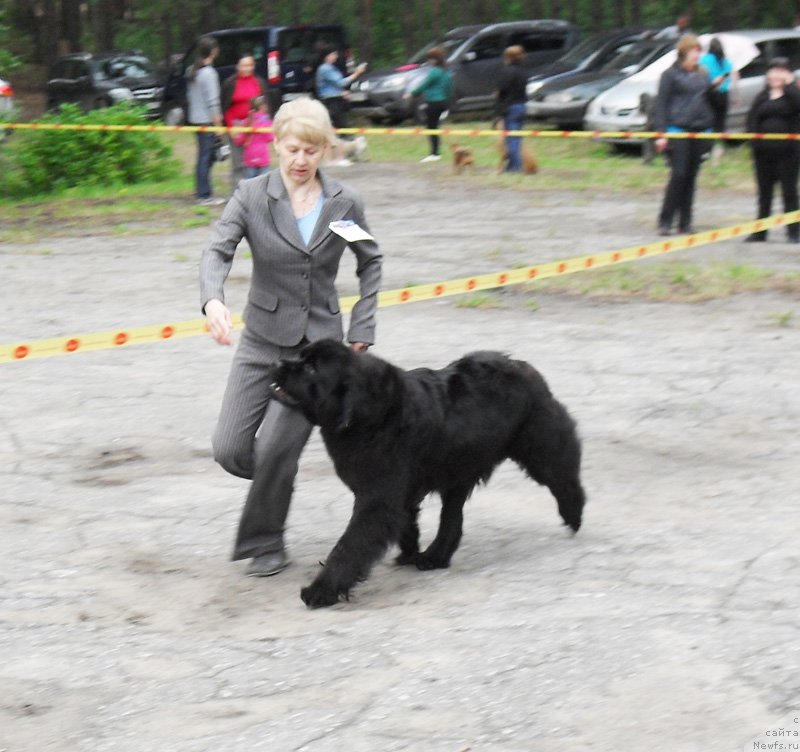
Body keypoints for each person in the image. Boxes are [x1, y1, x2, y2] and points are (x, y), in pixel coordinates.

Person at [199, 97, 382, 577]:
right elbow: (217, 251)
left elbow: (371, 261)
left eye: (312, 151)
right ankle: (278, 478)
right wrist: (213, 300)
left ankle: (265, 542)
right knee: (230, 448)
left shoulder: (344, 204)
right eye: (293, 149)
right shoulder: (252, 196)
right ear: (275, 144)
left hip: (317, 355)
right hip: (260, 341)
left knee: (279, 445)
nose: (301, 161)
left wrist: (362, 326)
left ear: (325, 151)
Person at [654, 34, 714, 236]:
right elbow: (661, 104)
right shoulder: (669, 75)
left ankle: (685, 222)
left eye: (699, 51)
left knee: (691, 176)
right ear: (684, 52)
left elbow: (708, 101)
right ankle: (665, 221)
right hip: (676, 130)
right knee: (678, 175)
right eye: (694, 51)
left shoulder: (703, 74)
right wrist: (661, 134)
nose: (698, 55)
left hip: (699, 130)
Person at [744, 57, 800, 243]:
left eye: (780, 71)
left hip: (787, 153)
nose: (775, 74)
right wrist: (754, 139)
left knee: (789, 192)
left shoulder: (793, 95)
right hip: (763, 153)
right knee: (764, 193)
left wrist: (790, 85)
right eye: (773, 70)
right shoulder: (762, 96)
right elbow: (751, 119)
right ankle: (761, 231)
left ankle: (794, 231)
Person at [186, 36, 224, 206]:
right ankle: (204, 195)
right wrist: (218, 125)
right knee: (206, 157)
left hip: (194, 119)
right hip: (206, 121)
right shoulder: (209, 74)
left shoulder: (191, 71)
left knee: (203, 156)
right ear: (213, 51)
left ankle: (201, 189)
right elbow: (213, 101)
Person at [315, 45, 367, 165]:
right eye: (334, 54)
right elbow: (341, 82)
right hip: (332, 103)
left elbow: (333, 86)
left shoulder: (329, 68)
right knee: (340, 128)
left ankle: (346, 154)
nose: (336, 56)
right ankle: (339, 157)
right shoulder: (325, 69)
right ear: (328, 56)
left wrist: (342, 93)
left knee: (342, 128)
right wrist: (357, 73)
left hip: (335, 100)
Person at [222, 55, 268, 189]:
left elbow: (264, 106)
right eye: (244, 65)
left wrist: (262, 124)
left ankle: (255, 194)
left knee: (255, 163)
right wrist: (230, 127)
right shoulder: (230, 83)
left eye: (249, 65)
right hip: (236, 124)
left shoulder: (259, 82)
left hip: (255, 126)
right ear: (238, 67)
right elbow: (225, 106)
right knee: (238, 163)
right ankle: (237, 194)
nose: (247, 68)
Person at [406, 47, 453, 162]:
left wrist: (411, 94)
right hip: (443, 101)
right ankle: (436, 152)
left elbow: (424, 85)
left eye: (430, 59)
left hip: (433, 102)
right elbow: (450, 88)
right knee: (435, 127)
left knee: (431, 127)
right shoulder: (445, 72)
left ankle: (434, 153)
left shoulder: (434, 72)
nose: (429, 62)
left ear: (435, 60)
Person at [700, 38, 739, 165]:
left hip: (710, 93)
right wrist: (736, 95)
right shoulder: (725, 60)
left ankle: (706, 150)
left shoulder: (704, 59)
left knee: (708, 122)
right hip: (723, 94)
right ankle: (718, 150)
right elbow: (734, 75)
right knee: (720, 124)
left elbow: (700, 74)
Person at [495, 45, 528, 173]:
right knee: (517, 138)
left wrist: (498, 109)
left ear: (508, 57)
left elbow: (502, 90)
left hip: (510, 107)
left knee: (511, 139)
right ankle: (513, 165)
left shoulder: (507, 71)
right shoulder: (522, 71)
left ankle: (515, 168)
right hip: (522, 106)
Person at [234, 95, 274, 179]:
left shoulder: (247, 121)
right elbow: (270, 138)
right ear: (262, 106)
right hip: (263, 157)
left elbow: (239, 141)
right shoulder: (266, 121)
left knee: (250, 185)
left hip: (250, 158)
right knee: (264, 185)